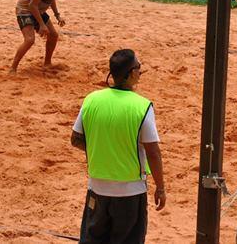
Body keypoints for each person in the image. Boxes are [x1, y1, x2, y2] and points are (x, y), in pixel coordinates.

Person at [71, 49, 166, 243]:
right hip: (130, 193)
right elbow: (153, 153)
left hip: (96, 189)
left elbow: (76, 139)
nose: (141, 72)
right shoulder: (142, 106)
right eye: (139, 68)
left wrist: (100, 148)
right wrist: (161, 188)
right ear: (132, 73)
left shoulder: (92, 99)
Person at [12, 0, 70, 73]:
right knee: (29, 40)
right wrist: (42, 25)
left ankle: (47, 63)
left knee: (53, 35)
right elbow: (31, 5)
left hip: (38, 10)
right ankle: (13, 68)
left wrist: (57, 15)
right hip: (25, 10)